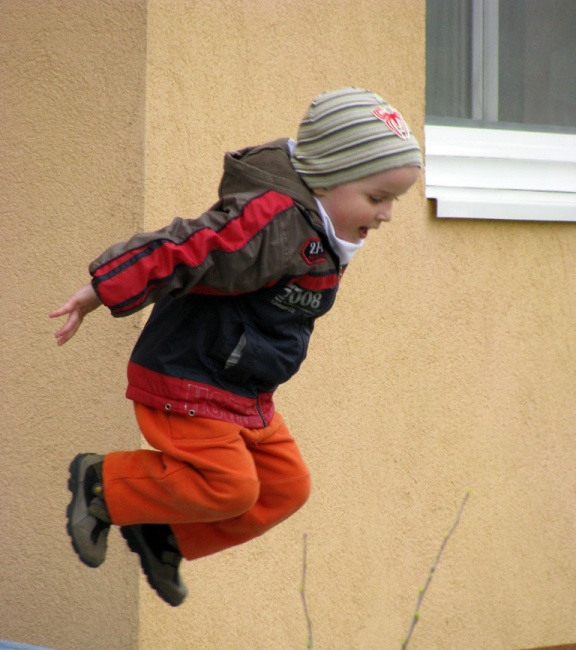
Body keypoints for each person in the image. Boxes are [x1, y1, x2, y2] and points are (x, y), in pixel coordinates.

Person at [50, 87, 422, 607]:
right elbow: (187, 248)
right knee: (231, 486)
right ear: (327, 177)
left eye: (394, 201)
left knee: (285, 486)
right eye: (377, 198)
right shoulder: (271, 224)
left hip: (243, 387)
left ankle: (162, 535)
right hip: (189, 376)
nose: (386, 215)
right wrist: (103, 287)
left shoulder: (319, 231)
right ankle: (102, 483)